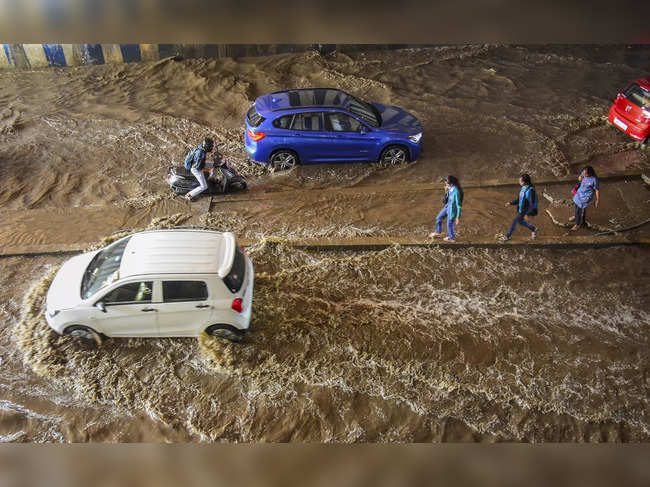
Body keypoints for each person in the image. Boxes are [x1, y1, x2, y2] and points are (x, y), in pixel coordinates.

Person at [499, 174, 538, 241]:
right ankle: (533, 229)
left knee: (515, 221)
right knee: (520, 222)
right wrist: (510, 203)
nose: (519, 181)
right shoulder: (523, 188)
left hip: (526, 210)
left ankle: (507, 236)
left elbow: (533, 204)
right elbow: (519, 200)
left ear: (524, 182)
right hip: (521, 209)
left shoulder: (530, 191)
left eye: (520, 180)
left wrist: (528, 214)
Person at [429, 175, 463, 242]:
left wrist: (457, 217)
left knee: (449, 224)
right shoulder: (450, 188)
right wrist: (446, 191)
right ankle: (438, 232)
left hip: (452, 210)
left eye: (447, 183)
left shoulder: (457, 192)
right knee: (439, 217)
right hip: (447, 206)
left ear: (451, 184)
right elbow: (446, 199)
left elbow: (458, 205)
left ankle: (451, 237)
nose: (446, 184)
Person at [185, 137, 215, 202]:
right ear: (207, 147)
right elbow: (199, 168)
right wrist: (209, 170)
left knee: (212, 164)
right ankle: (189, 195)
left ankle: (211, 178)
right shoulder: (200, 155)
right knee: (204, 186)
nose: (211, 148)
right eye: (210, 147)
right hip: (195, 169)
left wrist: (211, 153)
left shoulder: (201, 147)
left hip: (198, 164)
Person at [569, 166, 599, 231]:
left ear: (590, 173)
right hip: (579, 193)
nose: (584, 174)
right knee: (575, 205)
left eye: (586, 174)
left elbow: (597, 190)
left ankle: (577, 224)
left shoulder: (594, 179)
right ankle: (575, 216)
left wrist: (597, 200)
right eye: (584, 173)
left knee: (578, 210)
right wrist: (579, 179)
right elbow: (579, 179)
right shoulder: (584, 172)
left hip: (585, 196)